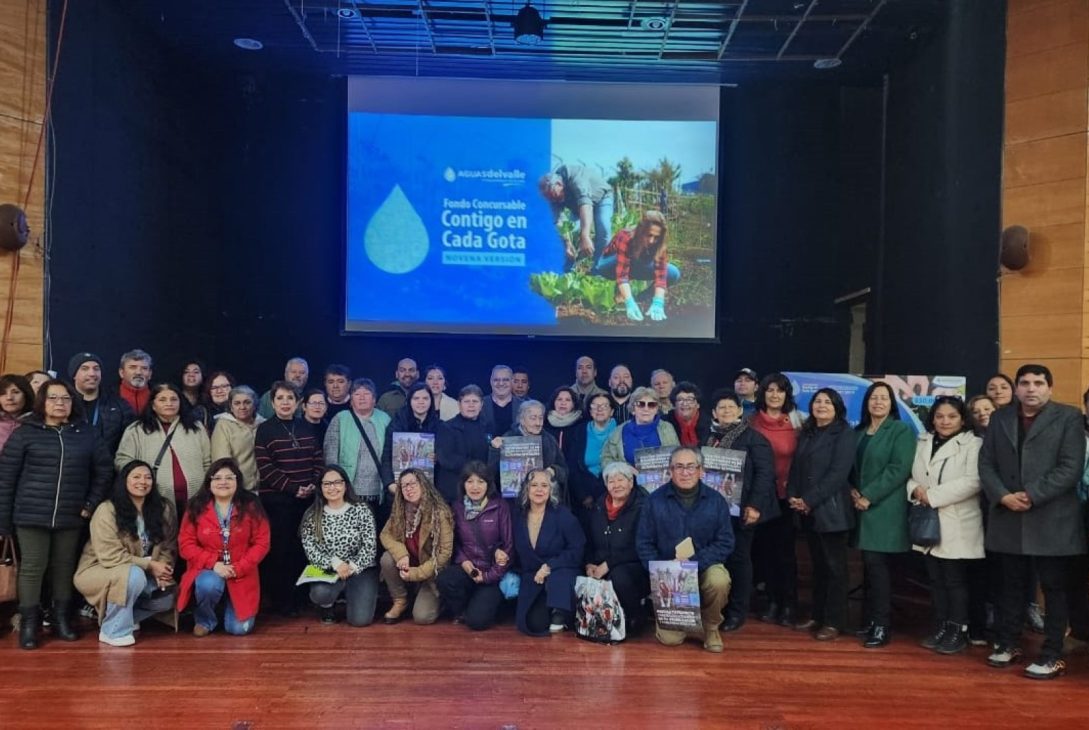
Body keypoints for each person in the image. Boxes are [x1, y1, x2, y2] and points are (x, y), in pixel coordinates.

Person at [979, 364, 1086, 680]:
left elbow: (1071, 468)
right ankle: (1008, 643)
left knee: (1054, 589)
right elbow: (986, 463)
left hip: (1051, 517)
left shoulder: (1068, 417)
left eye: (1038, 383)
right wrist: (1003, 495)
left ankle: (1053, 654)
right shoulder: (1000, 417)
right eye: (1024, 383)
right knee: (1010, 587)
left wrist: (1030, 495)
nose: (1030, 388)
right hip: (1008, 515)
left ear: (1049, 388)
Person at [0, 379, 113, 649]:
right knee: (32, 568)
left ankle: (62, 619)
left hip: (71, 515)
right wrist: (3, 522)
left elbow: (104, 472)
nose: (60, 404)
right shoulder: (25, 432)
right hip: (30, 515)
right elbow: (6, 479)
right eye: (53, 398)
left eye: (65, 399)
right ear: (42, 402)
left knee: (64, 568)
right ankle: (29, 624)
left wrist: (90, 503)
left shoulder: (87, 433)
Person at [635, 447, 734, 653]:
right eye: (679, 467)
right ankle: (681, 623)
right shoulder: (654, 501)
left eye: (690, 467)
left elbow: (725, 542)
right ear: (670, 471)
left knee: (719, 580)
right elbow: (643, 543)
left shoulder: (716, 501)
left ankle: (711, 627)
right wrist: (661, 571)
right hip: (669, 575)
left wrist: (694, 564)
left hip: (704, 567)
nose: (685, 472)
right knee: (670, 640)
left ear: (701, 470)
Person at [907, 396, 983, 655]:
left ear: (962, 418)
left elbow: (973, 481)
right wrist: (915, 489)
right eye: (940, 416)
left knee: (954, 580)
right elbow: (912, 474)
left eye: (951, 416)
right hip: (928, 519)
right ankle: (940, 626)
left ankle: (958, 629)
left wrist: (933, 495)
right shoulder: (924, 441)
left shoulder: (974, 444)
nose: (945, 421)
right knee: (936, 579)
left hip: (957, 520)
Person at [74, 460, 177, 647]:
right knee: (133, 576)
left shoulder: (163, 508)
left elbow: (168, 546)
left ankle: (124, 617)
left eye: (147, 477)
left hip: (142, 571)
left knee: (168, 596)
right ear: (124, 481)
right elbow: (110, 556)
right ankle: (112, 631)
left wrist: (163, 571)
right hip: (99, 569)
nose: (142, 481)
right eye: (136, 477)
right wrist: (150, 566)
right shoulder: (107, 510)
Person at [704, 389, 777, 632]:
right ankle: (719, 608)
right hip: (714, 511)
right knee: (719, 558)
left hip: (742, 510)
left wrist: (754, 506)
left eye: (730, 407)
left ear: (739, 411)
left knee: (739, 559)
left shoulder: (753, 438)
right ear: (714, 412)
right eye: (721, 407)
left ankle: (737, 612)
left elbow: (766, 475)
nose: (726, 411)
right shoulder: (709, 438)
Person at [788, 387, 856, 641]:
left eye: (828, 402)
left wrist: (809, 500)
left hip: (832, 511)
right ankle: (818, 615)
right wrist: (795, 496)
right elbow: (796, 467)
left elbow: (838, 474)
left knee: (835, 569)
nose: (822, 405)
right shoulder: (807, 432)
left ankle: (834, 621)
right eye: (818, 401)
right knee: (818, 567)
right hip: (808, 511)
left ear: (837, 407)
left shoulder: (844, 433)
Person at [851, 381, 916, 648]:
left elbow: (899, 469)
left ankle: (882, 626)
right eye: (873, 398)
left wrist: (869, 495)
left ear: (892, 403)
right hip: (859, 507)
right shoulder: (858, 432)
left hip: (885, 509)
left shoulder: (900, 430)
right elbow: (849, 467)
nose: (878, 402)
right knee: (868, 568)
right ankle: (870, 621)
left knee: (879, 570)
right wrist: (852, 491)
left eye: (884, 398)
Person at [177, 459, 270, 636]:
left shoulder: (251, 505)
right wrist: (214, 564)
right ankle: (206, 619)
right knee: (208, 584)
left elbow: (262, 543)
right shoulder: (196, 506)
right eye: (217, 478)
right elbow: (186, 544)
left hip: (241, 572)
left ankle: (227, 609)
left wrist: (239, 567)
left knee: (238, 630)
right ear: (209, 482)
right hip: (208, 569)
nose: (223, 482)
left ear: (238, 481)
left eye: (229, 477)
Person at [255, 381, 323, 615]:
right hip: (277, 501)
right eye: (280, 398)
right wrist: (293, 488)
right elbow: (265, 467)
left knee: (303, 549)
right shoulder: (264, 430)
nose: (285, 403)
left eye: (290, 398)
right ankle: (282, 601)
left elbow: (317, 459)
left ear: (298, 403)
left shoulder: (306, 427)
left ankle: (302, 598)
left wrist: (313, 484)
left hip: (307, 500)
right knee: (281, 551)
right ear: (272, 403)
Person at [748, 373, 806, 626]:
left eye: (780, 391)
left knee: (786, 554)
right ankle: (771, 601)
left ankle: (789, 604)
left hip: (787, 497)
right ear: (763, 393)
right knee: (764, 553)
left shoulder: (798, 422)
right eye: (770, 390)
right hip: (760, 499)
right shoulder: (750, 423)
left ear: (786, 395)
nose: (774, 395)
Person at [436, 461, 513, 631]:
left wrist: (487, 577)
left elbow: (509, 548)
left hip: (493, 574)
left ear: (488, 484)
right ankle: (465, 609)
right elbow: (455, 543)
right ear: (463, 484)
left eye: (480, 481)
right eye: (470, 481)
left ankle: (487, 607)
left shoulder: (500, 506)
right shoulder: (457, 507)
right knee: (445, 579)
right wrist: (463, 562)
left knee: (477, 622)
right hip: (469, 568)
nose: (475, 487)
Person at [115, 382, 211, 518]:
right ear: (153, 405)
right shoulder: (137, 430)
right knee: (165, 537)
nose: (169, 403)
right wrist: (141, 480)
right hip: (154, 499)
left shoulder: (196, 427)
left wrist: (204, 489)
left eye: (174, 399)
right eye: (162, 399)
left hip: (197, 499)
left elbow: (208, 462)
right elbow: (122, 460)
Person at [299, 465, 379, 626]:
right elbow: (311, 550)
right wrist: (336, 564)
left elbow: (370, 547)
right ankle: (327, 605)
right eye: (327, 484)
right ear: (320, 488)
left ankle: (353, 594)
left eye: (337, 482)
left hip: (360, 568)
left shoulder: (361, 510)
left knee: (360, 621)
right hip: (329, 568)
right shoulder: (312, 514)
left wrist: (352, 566)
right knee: (320, 593)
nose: (332, 487)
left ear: (345, 484)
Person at [512, 468, 586, 636]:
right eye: (534, 485)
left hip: (561, 571)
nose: (539, 490)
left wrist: (549, 566)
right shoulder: (518, 516)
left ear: (551, 490)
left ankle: (562, 612)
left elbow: (577, 549)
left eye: (544, 485)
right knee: (533, 624)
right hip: (533, 576)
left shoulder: (563, 515)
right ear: (526, 489)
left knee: (560, 579)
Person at [379, 468, 454, 625]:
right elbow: (385, 535)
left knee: (422, 617)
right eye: (404, 486)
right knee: (387, 559)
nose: (408, 488)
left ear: (423, 485)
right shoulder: (400, 510)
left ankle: (441, 601)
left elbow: (444, 555)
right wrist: (401, 554)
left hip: (431, 572)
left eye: (413, 483)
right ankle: (400, 600)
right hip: (409, 565)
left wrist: (416, 573)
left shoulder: (439, 513)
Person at [585, 461, 648, 635]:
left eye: (621, 480)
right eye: (611, 481)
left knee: (618, 576)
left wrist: (608, 564)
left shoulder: (643, 507)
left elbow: (641, 546)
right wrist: (589, 563)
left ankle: (635, 615)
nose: (616, 485)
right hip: (600, 565)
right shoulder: (598, 507)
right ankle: (601, 621)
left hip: (634, 566)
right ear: (606, 485)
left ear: (631, 482)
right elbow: (588, 540)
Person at [594, 210, 679, 323]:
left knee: (673, 273)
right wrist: (629, 301)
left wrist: (658, 301)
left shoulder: (659, 244)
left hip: (636, 264)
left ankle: (642, 298)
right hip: (609, 265)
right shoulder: (626, 236)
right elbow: (622, 274)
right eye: (649, 235)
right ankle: (622, 294)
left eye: (656, 237)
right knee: (634, 257)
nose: (651, 240)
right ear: (641, 231)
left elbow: (661, 274)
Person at [325, 379, 393, 514]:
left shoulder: (385, 419)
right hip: (348, 489)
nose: (362, 398)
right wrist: (335, 484)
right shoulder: (340, 418)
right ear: (350, 400)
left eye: (367, 394)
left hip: (378, 490)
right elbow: (330, 454)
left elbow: (392, 452)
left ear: (374, 399)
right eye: (357, 394)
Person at [489, 400, 569, 505]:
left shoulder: (549, 440)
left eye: (540, 418)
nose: (538, 423)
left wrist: (553, 471)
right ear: (522, 420)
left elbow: (565, 471)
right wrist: (494, 449)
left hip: (545, 503)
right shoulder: (508, 439)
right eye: (533, 418)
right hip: (514, 504)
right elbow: (492, 474)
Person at [539, 164, 614, 265]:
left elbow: (586, 205)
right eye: (551, 199)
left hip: (601, 198)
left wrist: (585, 236)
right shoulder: (552, 194)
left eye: (556, 196)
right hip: (577, 208)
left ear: (559, 184)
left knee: (603, 229)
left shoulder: (576, 178)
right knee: (572, 232)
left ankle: (599, 268)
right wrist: (567, 243)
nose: (555, 201)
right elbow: (558, 222)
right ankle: (573, 267)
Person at [435, 385, 491, 503]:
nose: (471, 405)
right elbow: (446, 459)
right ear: (459, 404)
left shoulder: (488, 426)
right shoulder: (447, 428)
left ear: (481, 405)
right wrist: (476, 469)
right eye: (467, 401)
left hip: (481, 490)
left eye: (475, 401)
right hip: (454, 492)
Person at [567, 392, 618, 523]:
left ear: (612, 411)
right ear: (590, 411)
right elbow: (572, 466)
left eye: (604, 406)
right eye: (594, 406)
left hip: (615, 490)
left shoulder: (621, 430)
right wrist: (583, 496)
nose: (599, 409)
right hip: (584, 495)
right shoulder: (579, 431)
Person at [600, 386, 679, 469]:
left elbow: (678, 456)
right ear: (633, 409)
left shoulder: (667, 428)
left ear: (656, 409)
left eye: (651, 405)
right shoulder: (619, 431)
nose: (646, 409)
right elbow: (606, 459)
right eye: (640, 404)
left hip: (663, 480)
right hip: (628, 480)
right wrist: (623, 469)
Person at [68, 352, 133, 452]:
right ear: (74, 375)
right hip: (73, 465)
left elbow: (130, 442)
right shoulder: (63, 404)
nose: (92, 374)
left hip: (108, 465)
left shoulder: (120, 405)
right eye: (85, 368)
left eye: (96, 368)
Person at [381, 383, 439, 488]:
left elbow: (447, 459)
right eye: (416, 398)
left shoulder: (440, 426)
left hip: (430, 488)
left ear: (431, 401)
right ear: (409, 401)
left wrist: (438, 458)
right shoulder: (396, 424)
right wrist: (390, 484)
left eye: (425, 398)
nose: (421, 402)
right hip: (400, 487)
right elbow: (386, 457)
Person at [210, 385, 265, 492]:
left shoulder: (263, 424)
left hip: (263, 489)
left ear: (254, 405)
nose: (242, 407)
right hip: (237, 489)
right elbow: (222, 461)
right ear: (231, 406)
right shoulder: (223, 425)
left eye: (247, 402)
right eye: (237, 403)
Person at [543, 386, 583, 466]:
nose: (563, 403)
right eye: (559, 399)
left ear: (573, 404)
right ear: (554, 402)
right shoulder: (544, 424)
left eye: (568, 400)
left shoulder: (581, 425)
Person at [481, 364, 523, 438]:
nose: (501, 383)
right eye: (496, 380)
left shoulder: (523, 406)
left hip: (516, 449)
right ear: (491, 382)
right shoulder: (480, 405)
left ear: (512, 381)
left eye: (505, 380)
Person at [665, 381, 710, 447]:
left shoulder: (710, 424)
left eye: (690, 399)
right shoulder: (665, 423)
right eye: (680, 399)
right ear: (674, 405)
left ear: (698, 405)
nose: (685, 403)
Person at [0, 373, 33, 454]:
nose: (9, 398)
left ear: (26, 394)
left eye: (16, 392)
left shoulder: (37, 423)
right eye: (3, 393)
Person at [117, 349, 153, 415]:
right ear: (121, 372)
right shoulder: (107, 397)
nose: (138, 372)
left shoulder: (158, 396)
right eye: (133, 367)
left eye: (144, 368)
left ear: (150, 374)